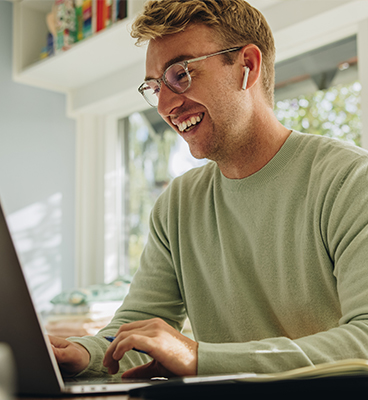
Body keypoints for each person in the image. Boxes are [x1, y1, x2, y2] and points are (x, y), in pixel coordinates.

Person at [49, 0, 368, 379]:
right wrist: (80, 355)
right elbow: (138, 326)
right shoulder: (177, 206)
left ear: (247, 66)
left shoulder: (350, 181)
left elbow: (364, 339)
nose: (165, 105)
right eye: (155, 87)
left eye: (180, 74)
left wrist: (199, 358)